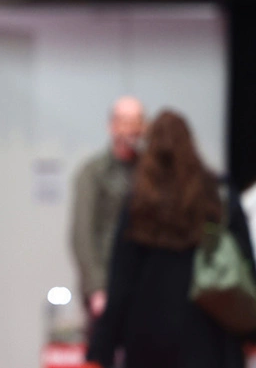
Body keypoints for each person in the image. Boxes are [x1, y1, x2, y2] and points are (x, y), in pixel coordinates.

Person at [84, 110, 256, 368]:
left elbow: (121, 283)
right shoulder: (218, 196)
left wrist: (100, 351)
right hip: (213, 336)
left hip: (148, 342)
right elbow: (245, 266)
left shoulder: (138, 205)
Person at [70, 96, 145, 331]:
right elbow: (82, 233)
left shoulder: (149, 172)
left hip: (142, 284)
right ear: (112, 125)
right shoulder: (93, 172)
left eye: (136, 122)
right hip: (107, 281)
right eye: (124, 121)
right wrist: (96, 288)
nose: (130, 129)